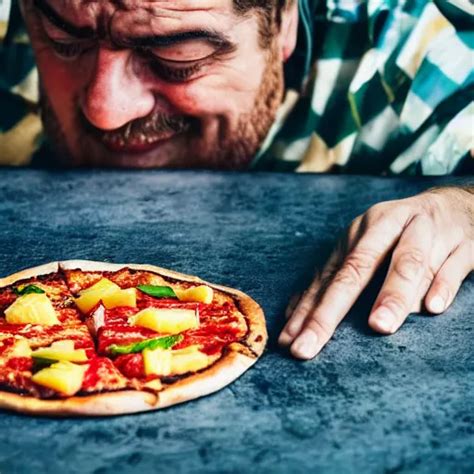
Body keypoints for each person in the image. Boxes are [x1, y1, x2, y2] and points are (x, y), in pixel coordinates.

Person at [1, 0, 472, 359]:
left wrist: (463, 205)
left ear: (285, 18)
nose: (105, 110)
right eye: (64, 41)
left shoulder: (413, 49)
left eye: (177, 58)